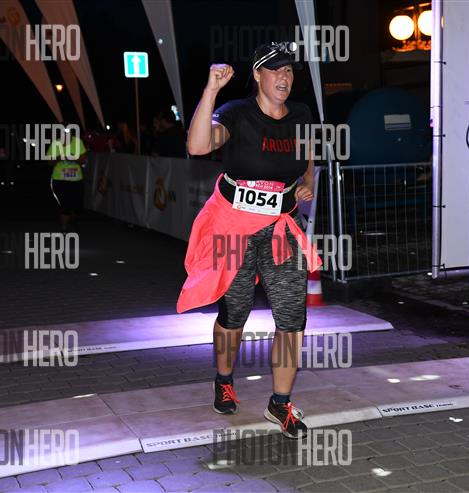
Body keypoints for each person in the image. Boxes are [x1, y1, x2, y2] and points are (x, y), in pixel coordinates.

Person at [177, 42, 322, 439]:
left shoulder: (301, 114)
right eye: (275, 70)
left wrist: (307, 182)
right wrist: (211, 90)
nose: (284, 77)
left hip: (280, 226)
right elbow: (197, 146)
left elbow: (307, 155)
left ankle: (280, 403)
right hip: (232, 227)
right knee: (235, 312)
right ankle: (224, 379)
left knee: (292, 317)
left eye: (289, 70)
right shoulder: (236, 112)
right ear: (257, 75)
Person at [48, 135, 86, 233]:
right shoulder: (55, 143)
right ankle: (64, 228)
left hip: (76, 180)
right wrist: (59, 158)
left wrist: (73, 157)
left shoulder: (77, 142)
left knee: (77, 206)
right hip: (59, 179)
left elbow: (83, 161)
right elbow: (50, 162)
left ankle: (72, 220)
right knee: (65, 205)